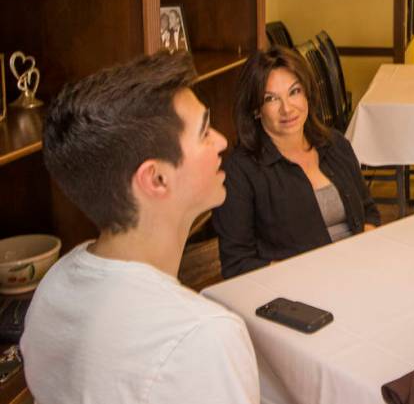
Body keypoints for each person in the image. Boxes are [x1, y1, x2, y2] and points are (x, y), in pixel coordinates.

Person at [21, 52, 259, 403]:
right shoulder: (203, 335)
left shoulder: (53, 286)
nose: (222, 141)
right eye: (205, 131)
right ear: (157, 178)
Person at [212, 46, 380, 278]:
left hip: (359, 270)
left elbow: (368, 210)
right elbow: (237, 263)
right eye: (271, 99)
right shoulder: (240, 172)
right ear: (256, 109)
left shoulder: (335, 144)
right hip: (298, 287)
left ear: (307, 94)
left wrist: (364, 248)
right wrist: (303, 274)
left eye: (294, 92)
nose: (287, 108)